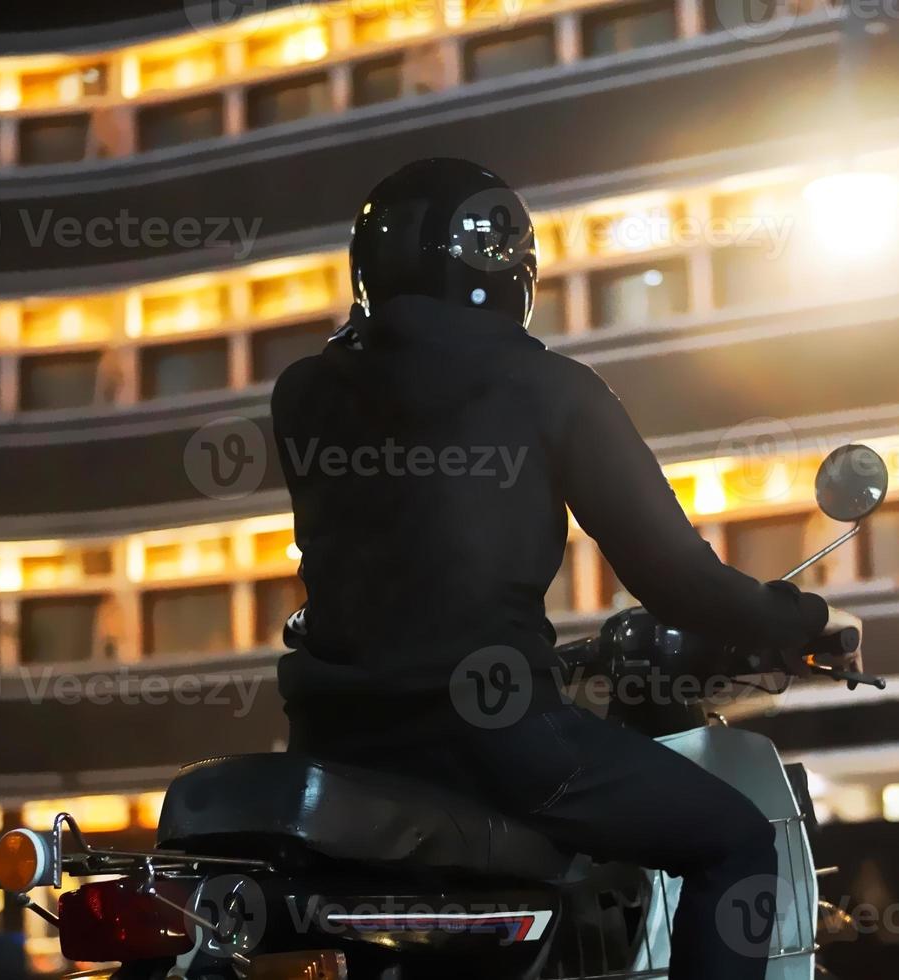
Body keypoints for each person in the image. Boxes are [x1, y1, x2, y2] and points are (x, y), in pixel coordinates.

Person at [270, 157, 860, 980]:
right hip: (489, 736)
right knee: (734, 840)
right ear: (509, 264)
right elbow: (673, 580)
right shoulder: (549, 391)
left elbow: (382, 559)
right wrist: (806, 621)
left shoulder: (303, 392)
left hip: (334, 739)